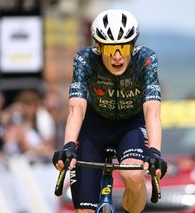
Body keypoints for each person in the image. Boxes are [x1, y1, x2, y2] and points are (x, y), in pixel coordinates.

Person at [52, 9, 167, 213]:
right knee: (83, 210)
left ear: (132, 47)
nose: (116, 57)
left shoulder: (146, 60)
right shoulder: (84, 60)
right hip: (94, 127)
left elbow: (152, 111)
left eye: (122, 49)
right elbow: (76, 107)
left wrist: (155, 151)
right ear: (98, 47)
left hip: (130, 126)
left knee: (133, 176)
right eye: (109, 50)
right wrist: (68, 145)